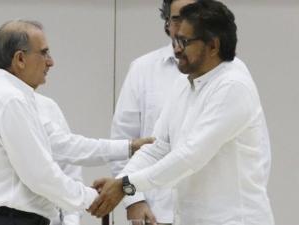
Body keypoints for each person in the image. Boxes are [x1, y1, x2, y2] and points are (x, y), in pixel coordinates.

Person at [0, 20, 153, 225]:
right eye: (44, 53)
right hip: (9, 220)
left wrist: (128, 147)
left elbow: (63, 144)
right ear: (20, 59)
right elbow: (40, 175)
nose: (51, 62)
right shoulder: (10, 101)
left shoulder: (5, 96)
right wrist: (94, 198)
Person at [90, 1, 275, 225]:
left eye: (184, 42)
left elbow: (190, 157)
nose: (176, 49)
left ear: (213, 45)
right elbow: (156, 148)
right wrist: (120, 183)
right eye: (176, 40)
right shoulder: (183, 84)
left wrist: (126, 185)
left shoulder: (233, 85)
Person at [110, 1, 195, 224]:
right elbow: (123, 142)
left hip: (208, 215)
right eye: (177, 18)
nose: (186, 24)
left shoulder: (227, 76)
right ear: (167, 24)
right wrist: (133, 200)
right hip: (156, 215)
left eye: (195, 14)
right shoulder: (143, 69)